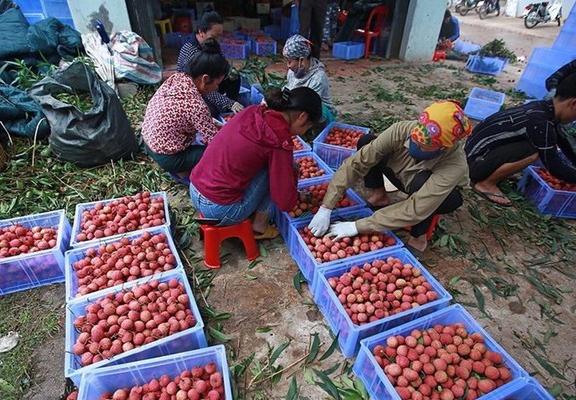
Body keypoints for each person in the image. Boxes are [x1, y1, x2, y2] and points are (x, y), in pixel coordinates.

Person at [308, 100, 472, 254]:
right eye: (414, 140)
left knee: (423, 186)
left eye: (423, 146)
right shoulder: (402, 130)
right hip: (402, 173)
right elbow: (357, 163)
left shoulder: (454, 165)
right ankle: (380, 196)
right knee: (367, 142)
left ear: (443, 147)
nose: (415, 145)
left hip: (439, 195)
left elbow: (418, 208)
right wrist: (326, 207)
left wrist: (358, 226)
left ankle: (419, 238)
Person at [190, 87, 323, 239]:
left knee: (274, 166)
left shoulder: (254, 111)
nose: (303, 132)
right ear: (302, 117)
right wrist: (292, 180)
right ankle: (260, 225)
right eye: (307, 127)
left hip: (195, 189)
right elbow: (285, 203)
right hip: (220, 209)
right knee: (277, 171)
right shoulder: (278, 140)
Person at [466, 71, 576, 207]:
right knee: (534, 151)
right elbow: (555, 167)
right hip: (474, 163)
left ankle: (490, 173)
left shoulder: (543, 108)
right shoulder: (540, 122)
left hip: (473, 154)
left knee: (539, 144)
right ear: (575, 103)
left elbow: (564, 138)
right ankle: (486, 184)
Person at [141, 39, 229, 179]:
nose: (217, 88)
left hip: (148, 141)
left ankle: (181, 167)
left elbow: (188, 116)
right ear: (205, 79)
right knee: (216, 154)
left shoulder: (177, 78)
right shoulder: (196, 105)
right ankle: (180, 167)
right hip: (165, 155)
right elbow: (217, 143)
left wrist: (213, 124)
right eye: (217, 83)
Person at [177, 9, 243, 117]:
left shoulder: (211, 44)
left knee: (234, 77)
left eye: (220, 36)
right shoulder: (191, 52)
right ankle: (227, 106)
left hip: (209, 83)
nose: (218, 40)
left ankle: (231, 112)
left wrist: (228, 72)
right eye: (214, 36)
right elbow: (200, 86)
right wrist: (229, 102)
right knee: (211, 112)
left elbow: (221, 64)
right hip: (195, 91)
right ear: (201, 32)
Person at [283, 34, 337, 123]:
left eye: (289, 62)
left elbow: (309, 104)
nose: (288, 66)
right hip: (297, 107)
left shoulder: (318, 77)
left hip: (318, 112)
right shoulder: (292, 72)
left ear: (302, 60)